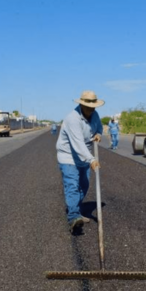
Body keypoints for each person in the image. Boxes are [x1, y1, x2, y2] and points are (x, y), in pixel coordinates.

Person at [56, 90, 104, 233]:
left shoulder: (95, 115)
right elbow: (78, 144)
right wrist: (92, 159)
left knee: (83, 186)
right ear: (82, 104)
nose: (91, 109)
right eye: (88, 106)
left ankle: (75, 209)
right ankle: (73, 217)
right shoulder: (73, 119)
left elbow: (99, 128)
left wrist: (99, 134)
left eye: (93, 106)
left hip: (84, 157)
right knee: (72, 186)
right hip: (69, 157)